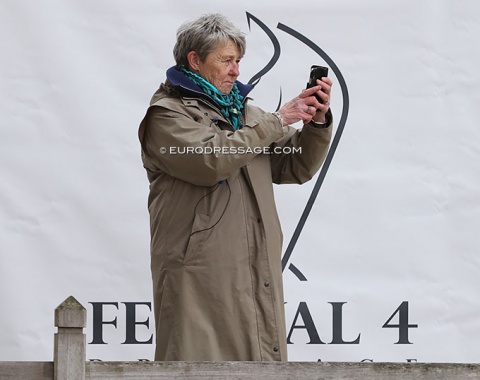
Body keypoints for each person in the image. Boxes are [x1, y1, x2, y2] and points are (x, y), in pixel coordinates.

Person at [138, 13, 333, 361]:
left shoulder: (248, 115)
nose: (236, 71)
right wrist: (277, 120)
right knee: (198, 364)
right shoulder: (166, 115)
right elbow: (210, 160)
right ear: (194, 60)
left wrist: (316, 122)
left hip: (256, 269)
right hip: (199, 276)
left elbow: (296, 165)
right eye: (226, 60)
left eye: (238, 61)